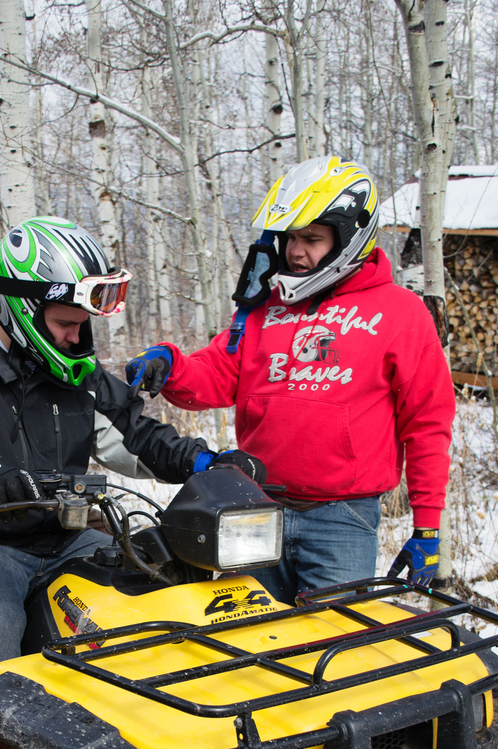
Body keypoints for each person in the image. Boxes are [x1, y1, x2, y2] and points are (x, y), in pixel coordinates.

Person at [0, 216, 264, 692]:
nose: (74, 338)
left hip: (65, 538)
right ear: (22, 309)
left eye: (82, 325)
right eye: (65, 324)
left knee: (147, 593)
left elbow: (137, 436)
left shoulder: (78, 376)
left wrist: (207, 462)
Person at [125, 156, 455, 605]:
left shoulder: (400, 312)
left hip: (342, 519)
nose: (296, 252)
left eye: (312, 239)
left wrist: (428, 526)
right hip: (256, 510)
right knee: (251, 643)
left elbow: (428, 423)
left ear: (350, 238)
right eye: (291, 238)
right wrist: (170, 365)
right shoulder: (267, 308)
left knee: (333, 649)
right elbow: (219, 374)